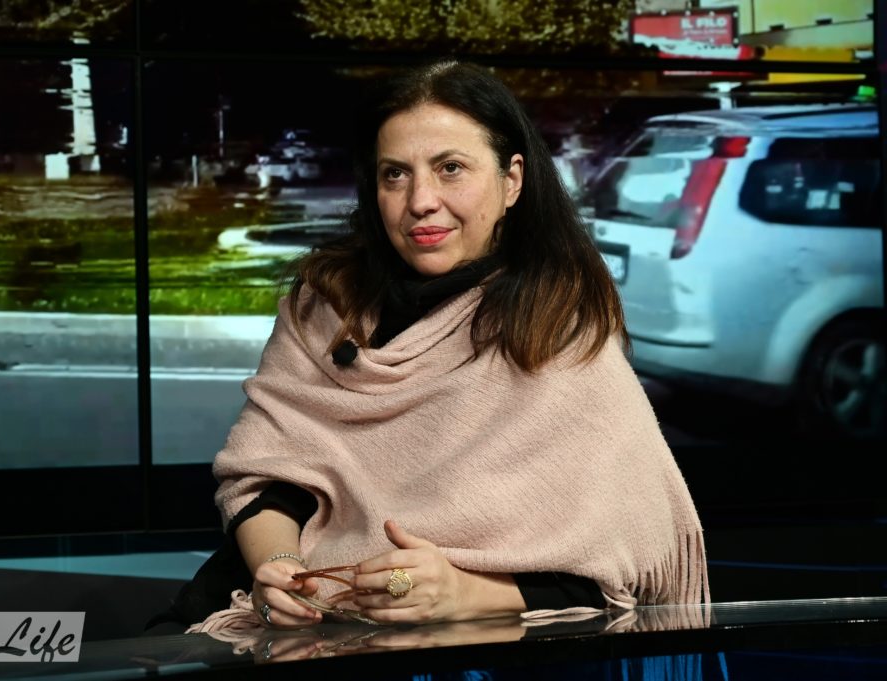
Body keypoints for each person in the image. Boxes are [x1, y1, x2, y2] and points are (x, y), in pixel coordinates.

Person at [152, 61, 708, 636]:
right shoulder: (323, 303)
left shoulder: (559, 330)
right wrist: (279, 570)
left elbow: (611, 560)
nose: (420, 200)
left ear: (512, 180)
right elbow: (270, 478)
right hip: (250, 615)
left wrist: (463, 592)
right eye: (395, 174)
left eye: (450, 169)